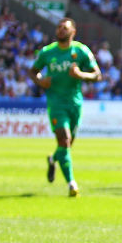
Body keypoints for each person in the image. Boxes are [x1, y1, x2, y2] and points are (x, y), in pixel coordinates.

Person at [29, 17, 101, 197]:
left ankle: (53, 159)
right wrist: (40, 80)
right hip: (56, 102)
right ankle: (72, 184)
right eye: (59, 27)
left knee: (67, 145)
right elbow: (33, 71)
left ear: (73, 32)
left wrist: (80, 74)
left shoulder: (81, 51)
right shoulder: (47, 52)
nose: (61, 30)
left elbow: (97, 75)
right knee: (65, 139)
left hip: (75, 102)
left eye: (65, 28)